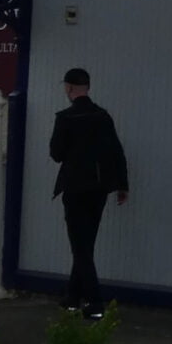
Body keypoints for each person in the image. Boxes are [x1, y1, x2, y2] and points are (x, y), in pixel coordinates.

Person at [49, 67, 129, 318]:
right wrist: (122, 184)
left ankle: (94, 302)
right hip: (99, 187)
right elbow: (117, 151)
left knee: (79, 245)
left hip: (75, 187)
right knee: (86, 243)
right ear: (88, 88)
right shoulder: (102, 116)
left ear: (70, 88)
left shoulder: (66, 118)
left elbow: (56, 154)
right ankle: (72, 297)